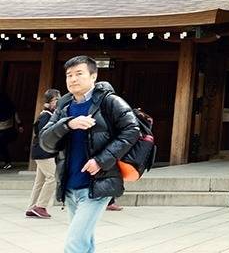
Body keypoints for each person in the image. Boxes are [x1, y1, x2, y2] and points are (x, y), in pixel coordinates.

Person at [40, 56, 140, 253]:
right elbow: (45, 140)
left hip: (97, 183)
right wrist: (67, 124)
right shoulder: (64, 106)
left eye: (79, 74)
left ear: (93, 76)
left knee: (74, 242)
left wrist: (101, 161)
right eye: (69, 75)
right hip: (70, 184)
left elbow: (132, 130)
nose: (73, 79)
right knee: (84, 242)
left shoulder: (109, 101)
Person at [26, 88, 61, 218]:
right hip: (44, 153)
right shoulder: (46, 116)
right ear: (49, 102)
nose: (57, 103)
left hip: (40, 152)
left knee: (40, 181)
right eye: (55, 100)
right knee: (52, 178)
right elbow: (45, 135)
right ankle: (41, 206)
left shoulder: (45, 115)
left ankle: (31, 207)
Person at [0, 91, 24, 170]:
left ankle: (7, 162)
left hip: (6, 128)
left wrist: (20, 125)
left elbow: (15, 114)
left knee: (2, 145)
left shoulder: (7, 105)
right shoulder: (9, 105)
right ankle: (7, 162)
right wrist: (20, 124)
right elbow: (15, 113)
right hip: (7, 128)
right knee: (3, 146)